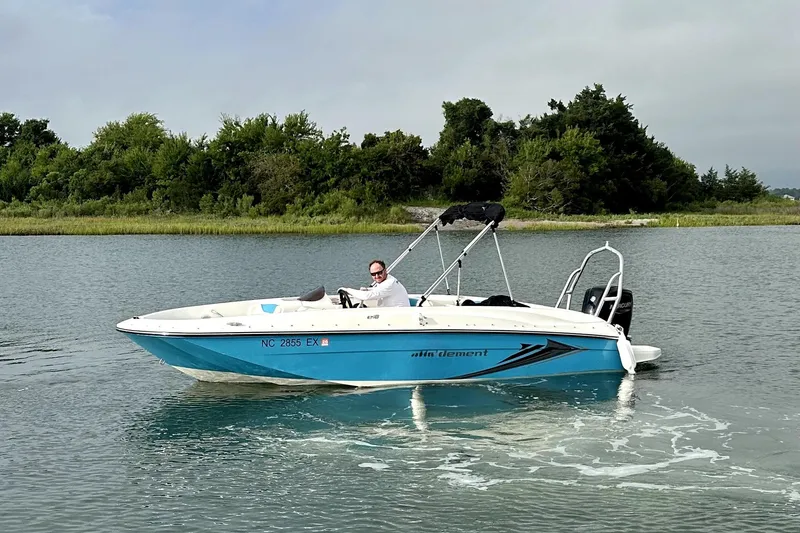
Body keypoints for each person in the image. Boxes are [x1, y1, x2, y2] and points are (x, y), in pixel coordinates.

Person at [338, 260, 410, 307]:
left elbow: (366, 296)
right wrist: (368, 290)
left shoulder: (390, 283)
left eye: (379, 273)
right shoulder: (387, 280)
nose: (377, 276)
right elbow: (378, 290)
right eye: (373, 274)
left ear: (385, 270)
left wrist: (347, 290)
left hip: (397, 317)